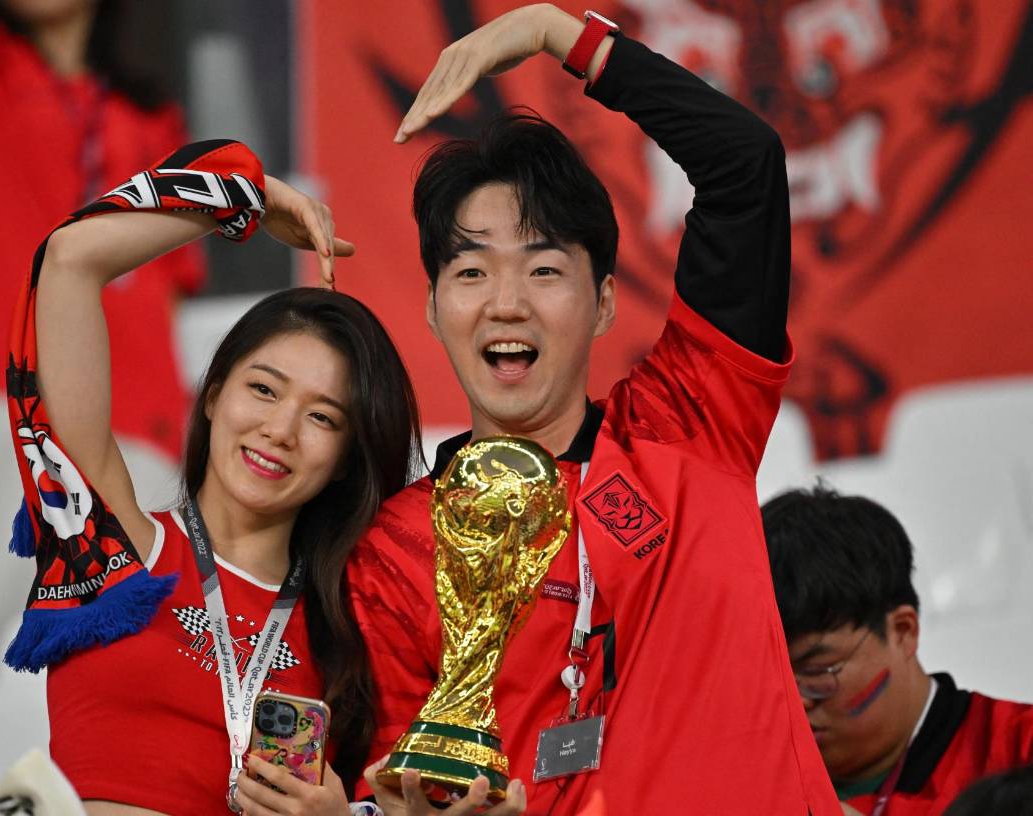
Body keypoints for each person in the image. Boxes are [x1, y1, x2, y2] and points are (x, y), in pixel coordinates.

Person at [350, 4, 838, 814]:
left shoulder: (689, 423)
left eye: (544, 270)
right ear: (434, 309)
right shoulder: (393, 554)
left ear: (605, 302)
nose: (506, 302)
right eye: (471, 273)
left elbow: (744, 164)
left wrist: (560, 35)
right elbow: (397, 782)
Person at [7, 138, 422, 815]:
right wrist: (243, 195)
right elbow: (70, 259)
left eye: (322, 417)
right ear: (212, 394)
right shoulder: (106, 543)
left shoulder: (354, 629)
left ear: (349, 458)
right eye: (263, 389)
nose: (280, 429)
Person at [0, 0, 206, 692]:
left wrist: (177, 412)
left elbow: (170, 281)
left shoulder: (149, 108)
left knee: (121, 661)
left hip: (135, 411)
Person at [763, 484, 1033, 815]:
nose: (792, 701)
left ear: (903, 631)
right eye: (768, 674)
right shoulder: (741, 779)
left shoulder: (1018, 749)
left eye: (817, 670)